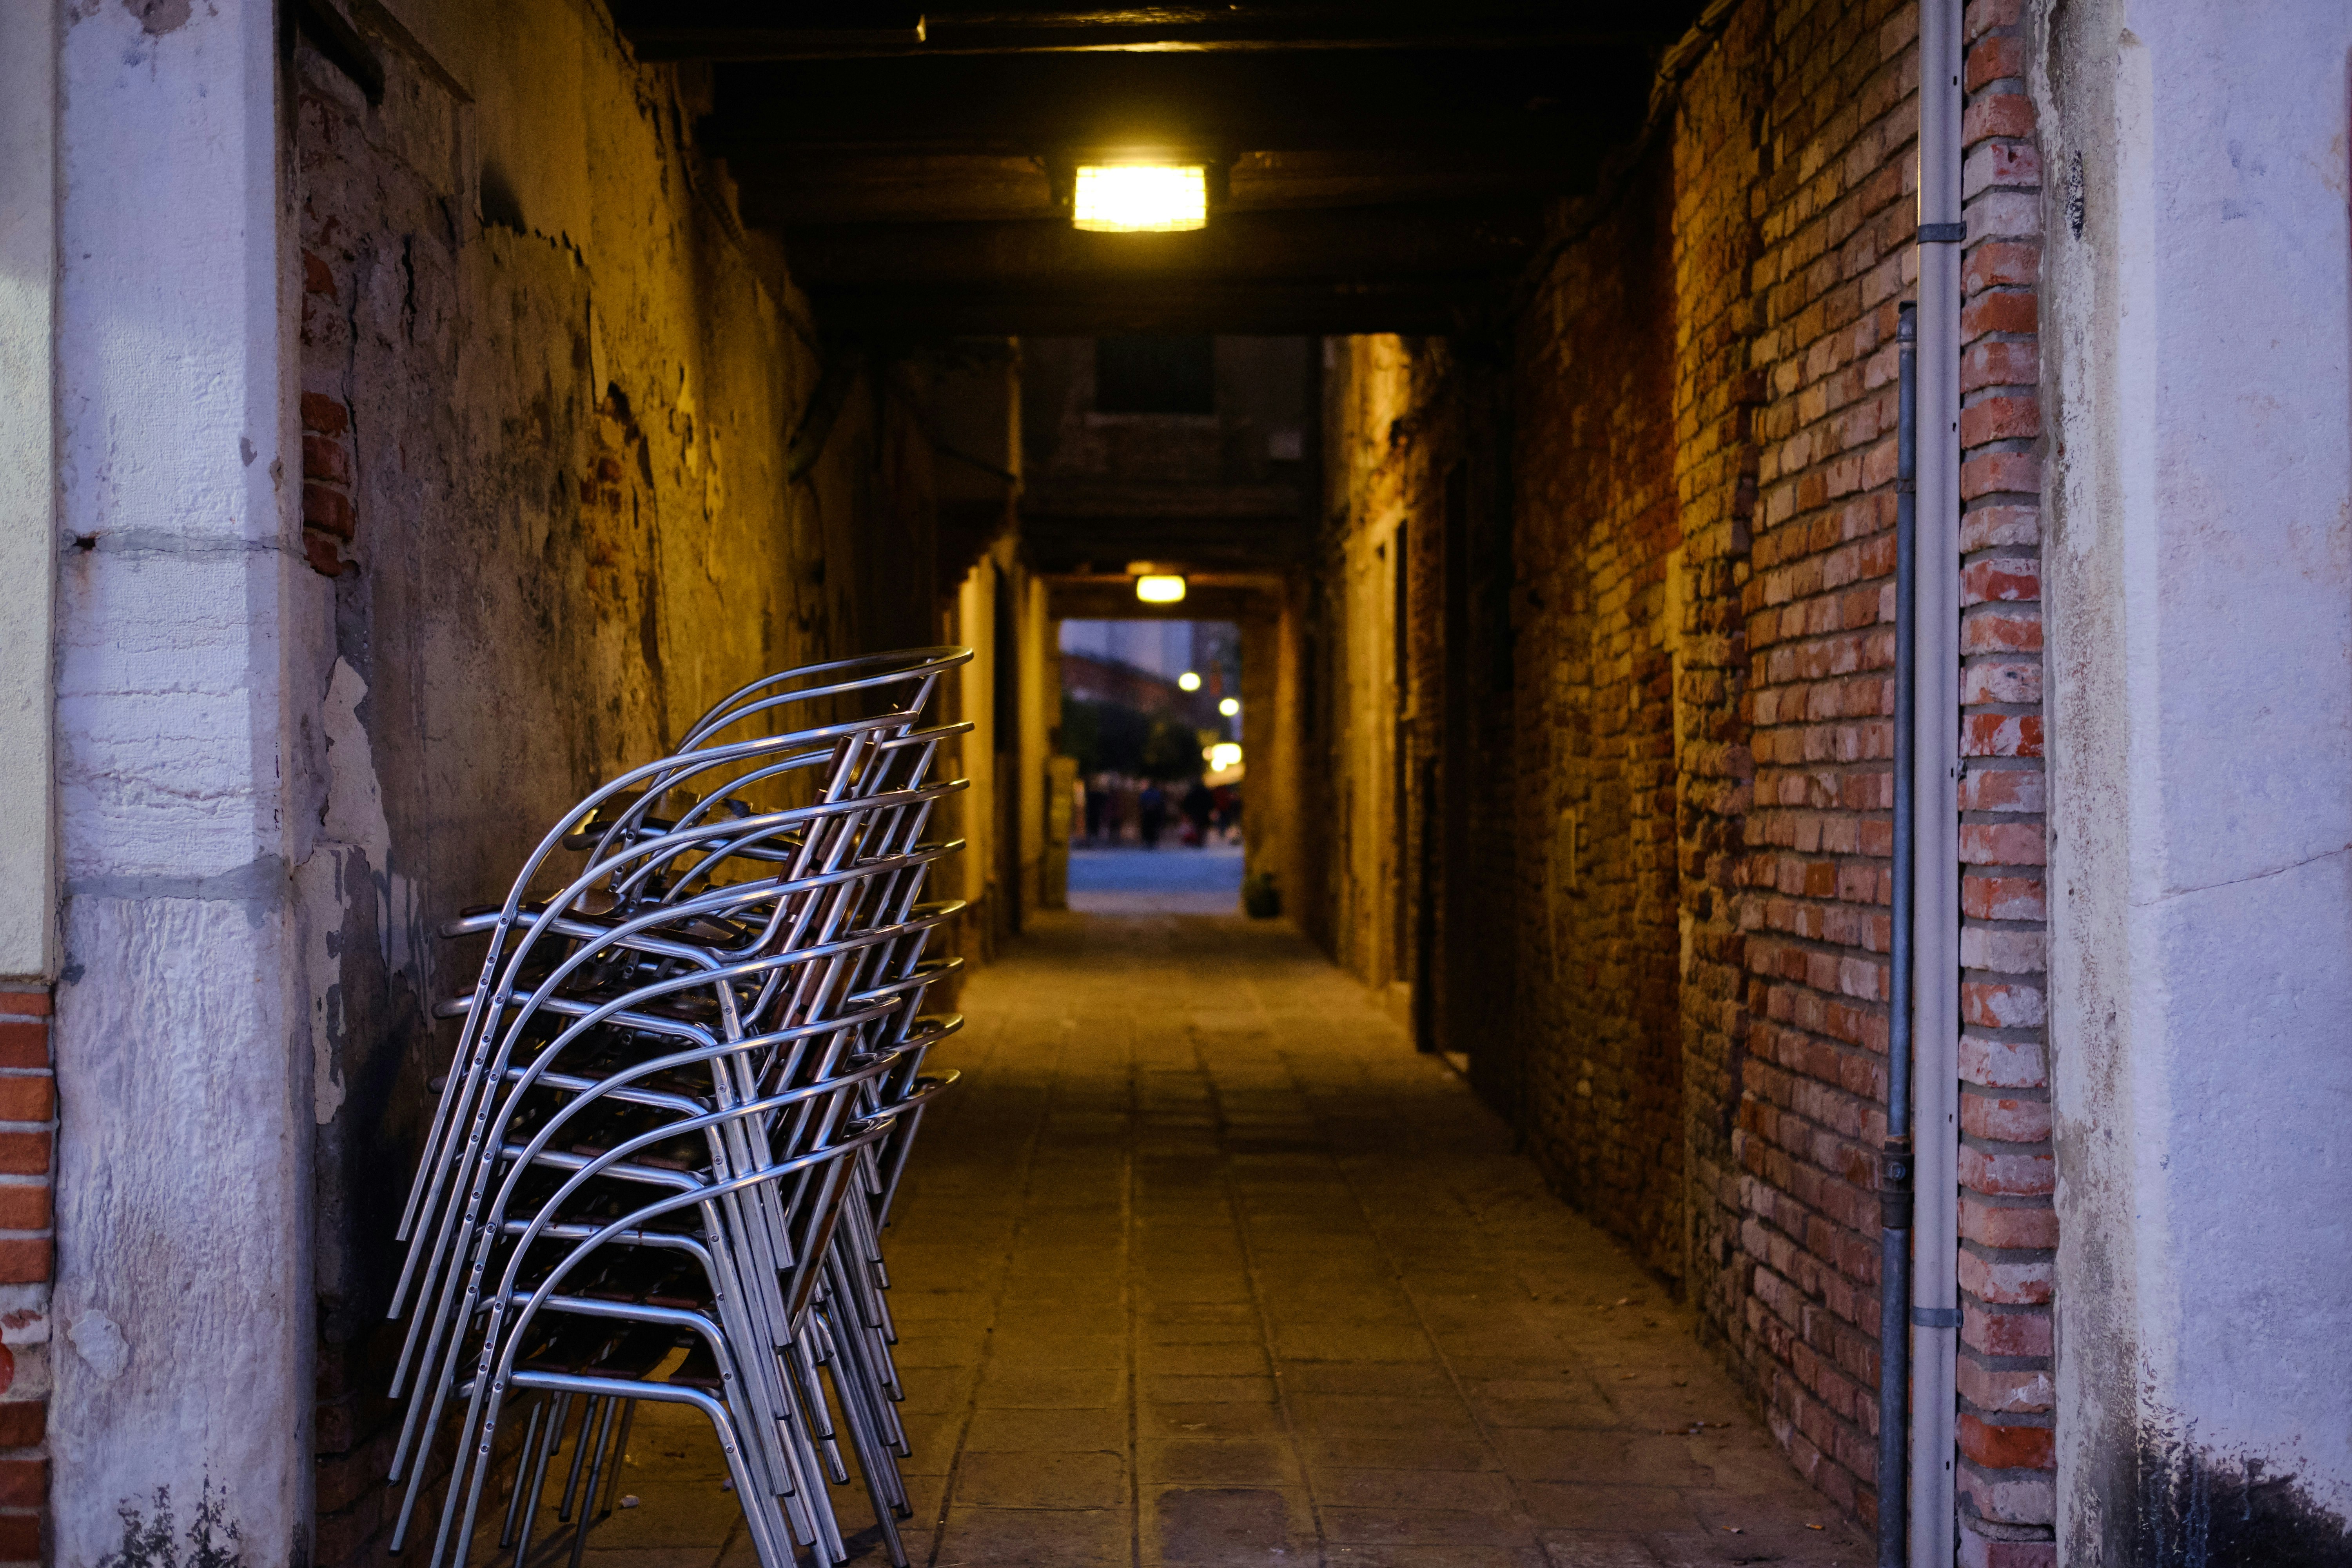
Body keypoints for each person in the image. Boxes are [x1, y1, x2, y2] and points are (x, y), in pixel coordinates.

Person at [1180, 779, 1216, 846]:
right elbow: (1210, 801)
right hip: (1204, 812)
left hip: (1196, 812)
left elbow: (1187, 802)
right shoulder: (1205, 792)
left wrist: (1187, 811)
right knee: (1202, 827)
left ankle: (1199, 840)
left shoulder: (1193, 792)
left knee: (1197, 826)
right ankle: (1201, 840)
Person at [1138, 782, 1167, 848]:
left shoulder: (1146, 793)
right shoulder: (1157, 794)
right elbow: (1161, 803)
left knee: (1148, 827)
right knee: (1152, 827)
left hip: (1149, 813)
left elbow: (1141, 802)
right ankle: (1151, 841)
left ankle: (1149, 841)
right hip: (1153, 813)